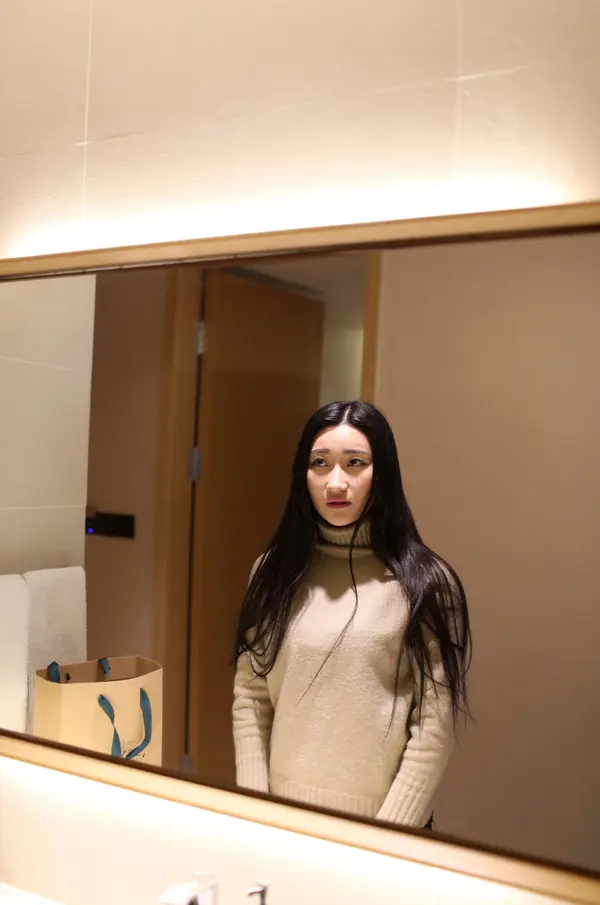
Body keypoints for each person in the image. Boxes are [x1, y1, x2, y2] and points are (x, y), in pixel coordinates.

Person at [232, 400, 471, 829]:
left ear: (383, 473)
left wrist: (387, 836)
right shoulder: (272, 572)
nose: (336, 482)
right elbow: (251, 697)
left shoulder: (427, 584)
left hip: (384, 829)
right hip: (279, 821)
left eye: (355, 463)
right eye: (320, 463)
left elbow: (433, 728)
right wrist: (255, 813)